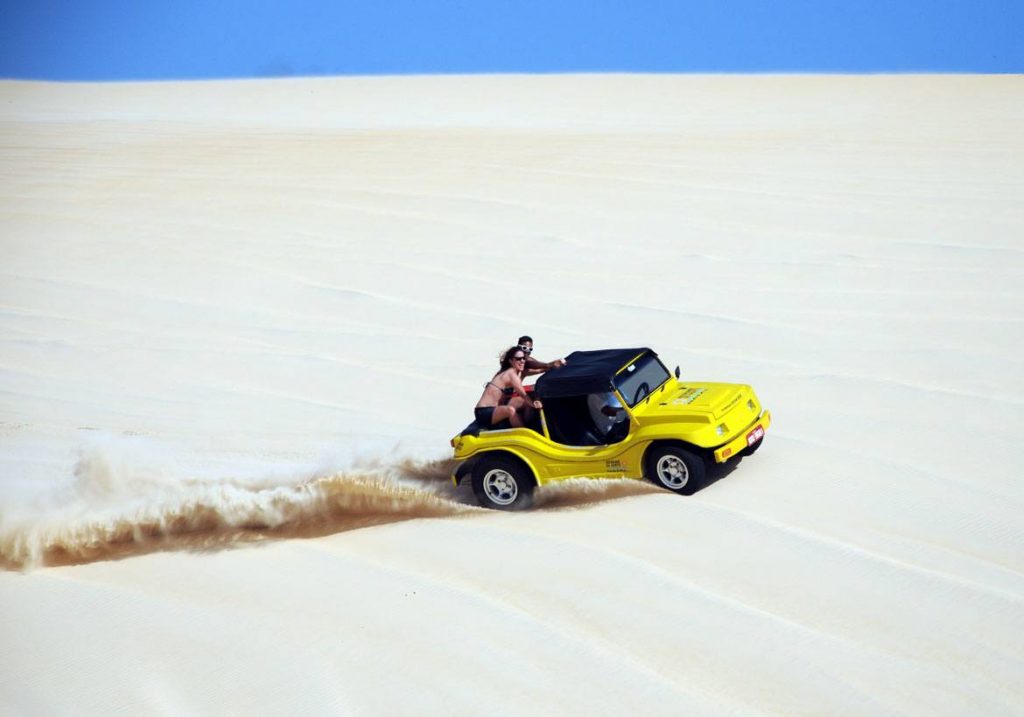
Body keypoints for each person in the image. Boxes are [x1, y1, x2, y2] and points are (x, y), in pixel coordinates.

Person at [474, 347, 543, 429]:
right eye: (518, 359)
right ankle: (522, 432)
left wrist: (549, 367)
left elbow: (538, 370)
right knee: (511, 410)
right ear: (511, 361)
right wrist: (535, 405)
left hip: (493, 409)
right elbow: (523, 394)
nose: (522, 361)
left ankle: (530, 425)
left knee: (525, 402)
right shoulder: (511, 374)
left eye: (524, 358)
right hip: (483, 412)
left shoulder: (514, 373)